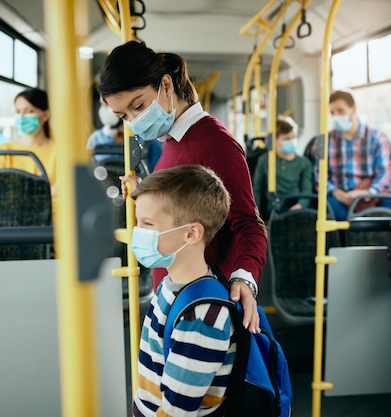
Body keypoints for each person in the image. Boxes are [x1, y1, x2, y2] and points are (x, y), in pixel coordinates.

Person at [96, 40, 267, 333]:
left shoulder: (214, 142)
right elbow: (189, 202)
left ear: (165, 85)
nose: (134, 122)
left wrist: (243, 278)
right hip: (176, 293)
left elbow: (248, 224)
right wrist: (146, 194)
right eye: (124, 116)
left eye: (138, 106)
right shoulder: (172, 141)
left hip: (204, 302)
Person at [130, 164, 234, 416]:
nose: (137, 232)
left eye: (148, 224)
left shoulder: (202, 318)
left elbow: (178, 410)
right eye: (137, 221)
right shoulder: (171, 284)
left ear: (191, 233)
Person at [324, 89, 391, 220]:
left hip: (372, 194)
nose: (336, 116)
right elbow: (319, 175)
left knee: (389, 210)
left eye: (340, 111)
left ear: (353, 109)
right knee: (329, 210)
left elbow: (386, 172)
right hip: (339, 197)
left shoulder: (377, 138)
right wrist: (338, 193)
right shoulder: (326, 141)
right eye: (332, 113)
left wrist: (369, 192)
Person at [0, 88, 58, 220]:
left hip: (53, 224)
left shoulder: (61, 152)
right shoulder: (4, 151)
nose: (22, 116)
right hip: (13, 223)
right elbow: (0, 193)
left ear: (45, 115)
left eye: (29, 111)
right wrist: (47, 193)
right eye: (18, 111)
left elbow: (63, 191)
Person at [252, 116, 314, 216]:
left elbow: (306, 190)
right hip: (275, 206)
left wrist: (300, 205)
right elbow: (257, 189)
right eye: (287, 139)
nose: (292, 141)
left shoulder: (304, 163)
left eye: (293, 137)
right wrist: (255, 214)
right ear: (275, 141)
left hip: (297, 206)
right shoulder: (265, 160)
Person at [87, 99, 163, 169]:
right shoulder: (96, 139)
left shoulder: (147, 139)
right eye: (102, 104)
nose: (104, 109)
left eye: (106, 104)